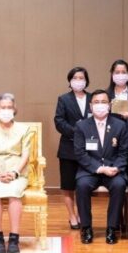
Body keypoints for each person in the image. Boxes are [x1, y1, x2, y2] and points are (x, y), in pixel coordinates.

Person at [73, 89, 128, 245]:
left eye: (103, 102)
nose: (100, 105)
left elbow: (124, 152)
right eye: (96, 102)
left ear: (110, 105)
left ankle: (112, 228)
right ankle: (86, 228)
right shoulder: (81, 126)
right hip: (89, 170)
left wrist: (117, 168)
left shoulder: (120, 125)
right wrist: (99, 168)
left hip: (113, 170)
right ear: (90, 106)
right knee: (82, 186)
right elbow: (80, 153)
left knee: (119, 185)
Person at [0, 93, 33, 253]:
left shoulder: (24, 129)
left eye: (9, 107)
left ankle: (14, 237)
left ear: (15, 109)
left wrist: (15, 172)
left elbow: (25, 154)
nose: (6, 110)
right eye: (3, 107)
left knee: (14, 192)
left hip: (17, 171)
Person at [53, 66, 90, 229]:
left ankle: (83, 214)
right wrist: (77, 132)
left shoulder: (93, 98)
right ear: (70, 81)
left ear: (86, 80)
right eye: (75, 78)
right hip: (68, 147)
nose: (78, 81)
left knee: (84, 184)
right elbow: (59, 121)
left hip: (90, 149)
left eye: (81, 78)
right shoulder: (64, 99)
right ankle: (72, 215)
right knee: (68, 186)